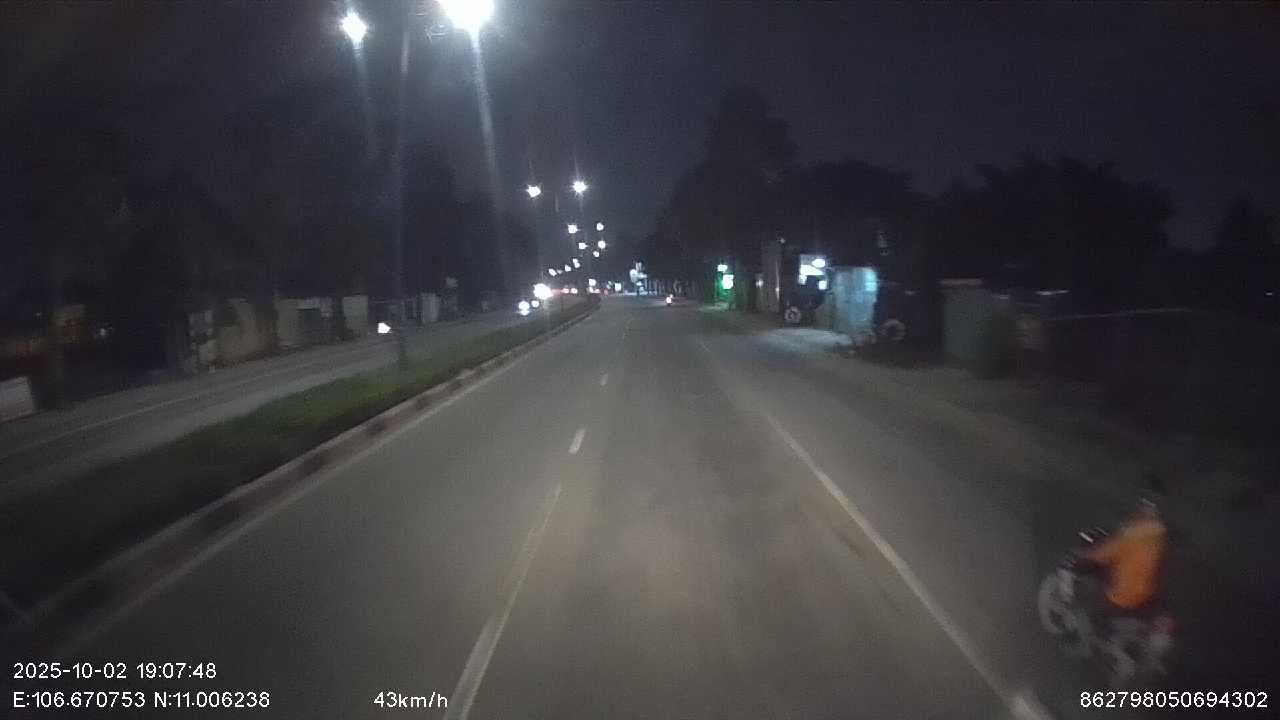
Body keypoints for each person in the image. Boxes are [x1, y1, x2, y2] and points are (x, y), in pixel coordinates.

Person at [1080, 477, 1169, 632]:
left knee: (1092, 603)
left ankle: (1088, 639)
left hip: (1124, 593)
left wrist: (1087, 554)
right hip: (1147, 593)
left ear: (1144, 502)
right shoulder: (1161, 531)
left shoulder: (1133, 530)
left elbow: (1107, 553)